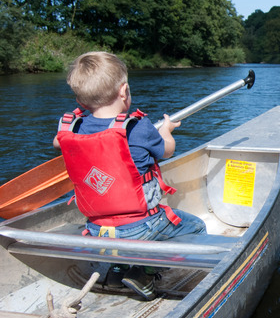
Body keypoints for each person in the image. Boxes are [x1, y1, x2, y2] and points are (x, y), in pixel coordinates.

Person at [54, 51, 206, 300]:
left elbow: (59, 142)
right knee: (196, 229)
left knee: (123, 231)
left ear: (81, 99)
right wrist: (166, 131)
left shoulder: (71, 126)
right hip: (141, 225)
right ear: (124, 91)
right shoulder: (138, 126)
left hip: (96, 228)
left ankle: (116, 271)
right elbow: (167, 151)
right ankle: (144, 272)